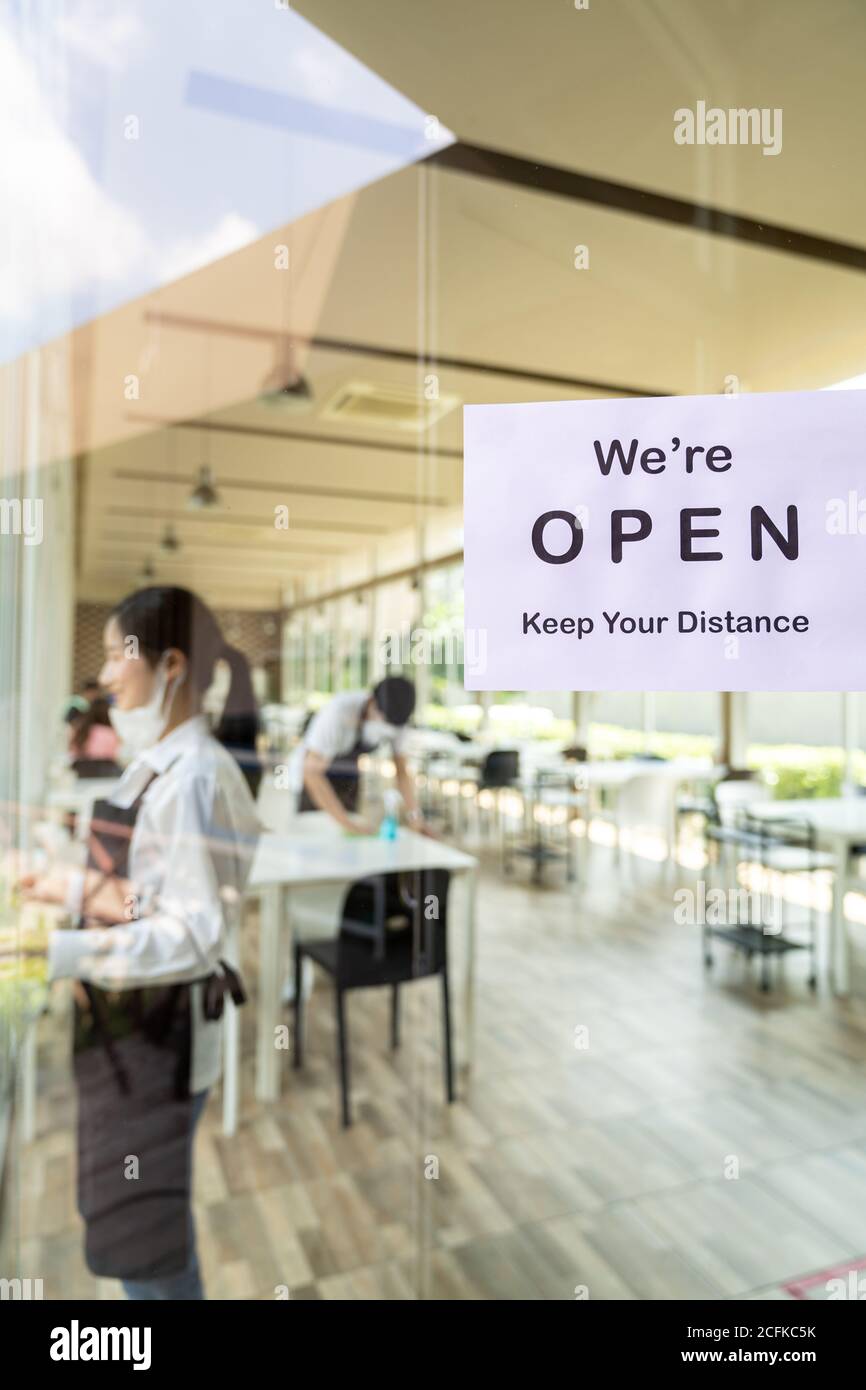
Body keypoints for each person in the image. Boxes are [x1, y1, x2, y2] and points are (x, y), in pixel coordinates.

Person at [15, 586, 261, 1300]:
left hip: (162, 1036)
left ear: (172, 663)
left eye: (117, 654)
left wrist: (58, 953)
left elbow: (191, 935)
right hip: (127, 1026)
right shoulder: (156, 764)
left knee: (146, 1248)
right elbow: (144, 896)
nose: (107, 675)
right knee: (128, 1226)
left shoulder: (197, 779)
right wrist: (62, 886)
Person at [290, 675, 432, 834]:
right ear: (372, 701)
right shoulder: (338, 712)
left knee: (347, 842)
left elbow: (401, 772)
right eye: (382, 720)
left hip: (348, 774)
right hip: (313, 775)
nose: (386, 728)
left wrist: (415, 818)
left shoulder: (398, 723)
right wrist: (345, 823)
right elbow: (311, 773)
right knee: (318, 833)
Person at [67, 695, 121, 777]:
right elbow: (114, 755)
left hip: (81, 772)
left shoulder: (79, 731)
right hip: (106, 772)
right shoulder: (110, 733)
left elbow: (72, 753)